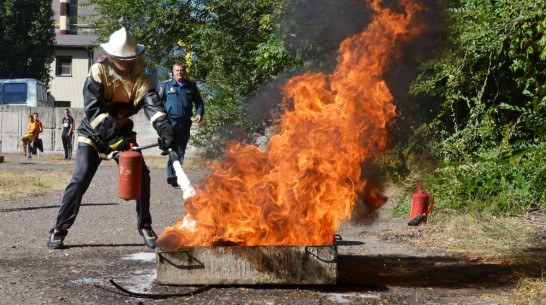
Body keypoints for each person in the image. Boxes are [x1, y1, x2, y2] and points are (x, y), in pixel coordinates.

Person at [47, 28, 176, 249]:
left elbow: (154, 108)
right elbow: (93, 112)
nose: (126, 64)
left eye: (130, 59)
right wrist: (116, 139)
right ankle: (59, 229)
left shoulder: (141, 79)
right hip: (93, 135)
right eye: (122, 59)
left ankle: (145, 224)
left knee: (142, 176)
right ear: (112, 56)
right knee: (81, 177)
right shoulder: (98, 71)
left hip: (123, 135)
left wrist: (166, 131)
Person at [159, 62, 204, 187]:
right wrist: (160, 118)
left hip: (185, 122)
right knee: (172, 148)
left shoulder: (191, 86)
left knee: (180, 149)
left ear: (184, 72)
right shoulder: (167, 85)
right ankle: (173, 176)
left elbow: (199, 102)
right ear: (173, 72)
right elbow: (158, 102)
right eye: (177, 70)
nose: (179, 72)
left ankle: (175, 175)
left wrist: (199, 113)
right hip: (170, 122)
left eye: (182, 70)